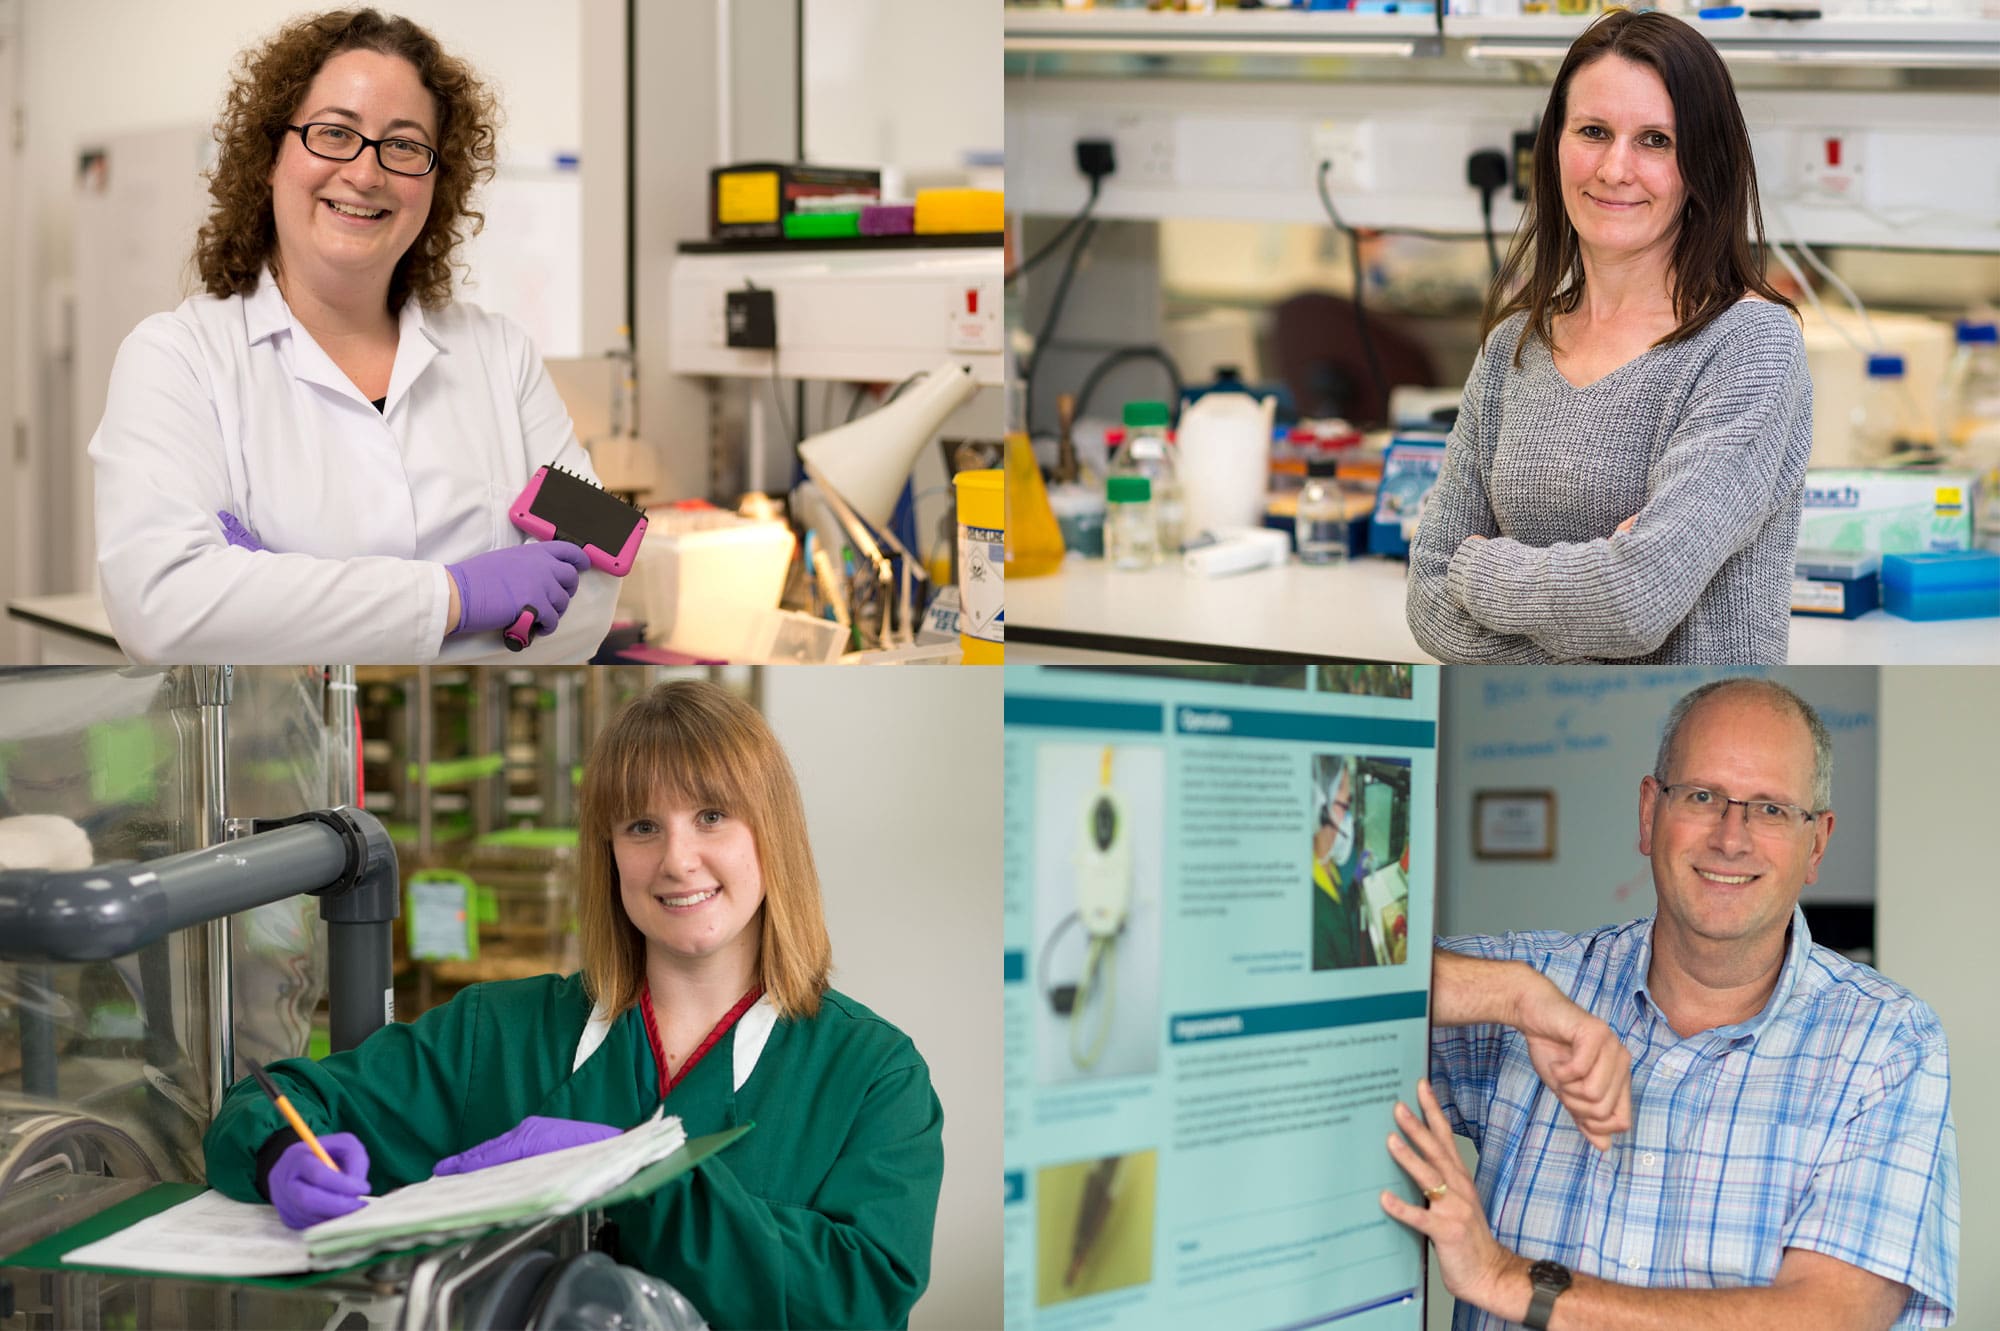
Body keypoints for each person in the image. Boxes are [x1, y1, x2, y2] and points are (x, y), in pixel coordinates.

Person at [203, 680, 945, 1330]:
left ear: (772, 835)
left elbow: (860, 1299)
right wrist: (280, 1153)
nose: (678, 859)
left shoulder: (874, 1075)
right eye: (642, 826)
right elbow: (272, 1099)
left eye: (713, 815)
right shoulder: (496, 1034)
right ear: (610, 851)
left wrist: (629, 1169)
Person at [1379, 678, 1957, 1329]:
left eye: (1770, 808)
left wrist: (1505, 1277)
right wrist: (1513, 994)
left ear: (1816, 843)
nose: (1731, 837)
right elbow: (1339, 983)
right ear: (1650, 813)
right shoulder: (1539, 983)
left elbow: (1823, 1315)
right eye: (1703, 795)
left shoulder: (1887, 1042)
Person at [89, 8, 616, 664]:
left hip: (464, 744)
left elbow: (595, 575)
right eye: (334, 133)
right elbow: (162, 606)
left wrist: (285, 609)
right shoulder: (178, 359)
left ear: (436, 181)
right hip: (271, 760)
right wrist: (454, 597)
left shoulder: (502, 356)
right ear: (269, 158)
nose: (366, 174)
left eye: (403, 145)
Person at [1405, 10, 1812, 665]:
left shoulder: (1750, 346)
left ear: (1702, 162)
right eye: (1593, 131)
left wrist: (1480, 570)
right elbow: (1427, 600)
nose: (1615, 168)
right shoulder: (1515, 344)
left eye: (1655, 140)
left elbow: (1633, 603)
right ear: (1556, 143)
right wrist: (1596, 586)